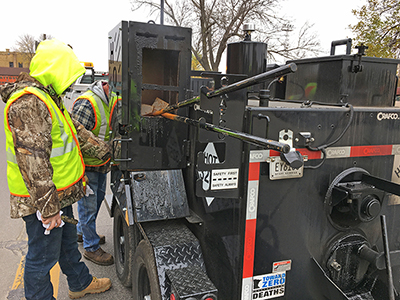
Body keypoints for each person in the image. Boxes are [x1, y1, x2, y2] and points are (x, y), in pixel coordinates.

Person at [0, 39, 112, 300]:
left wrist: (109, 151)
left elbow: (77, 134)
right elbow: (33, 163)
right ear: (56, 69)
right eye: (69, 74)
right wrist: (48, 210)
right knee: (42, 258)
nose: (72, 83)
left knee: (66, 245)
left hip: (60, 194)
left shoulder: (48, 99)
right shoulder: (29, 104)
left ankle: (79, 283)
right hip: (42, 200)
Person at [71, 80, 113, 266]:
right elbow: (76, 139)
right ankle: (91, 248)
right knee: (87, 207)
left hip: (101, 165)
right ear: (107, 86)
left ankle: (82, 232)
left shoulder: (108, 100)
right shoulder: (87, 103)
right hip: (87, 167)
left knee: (96, 200)